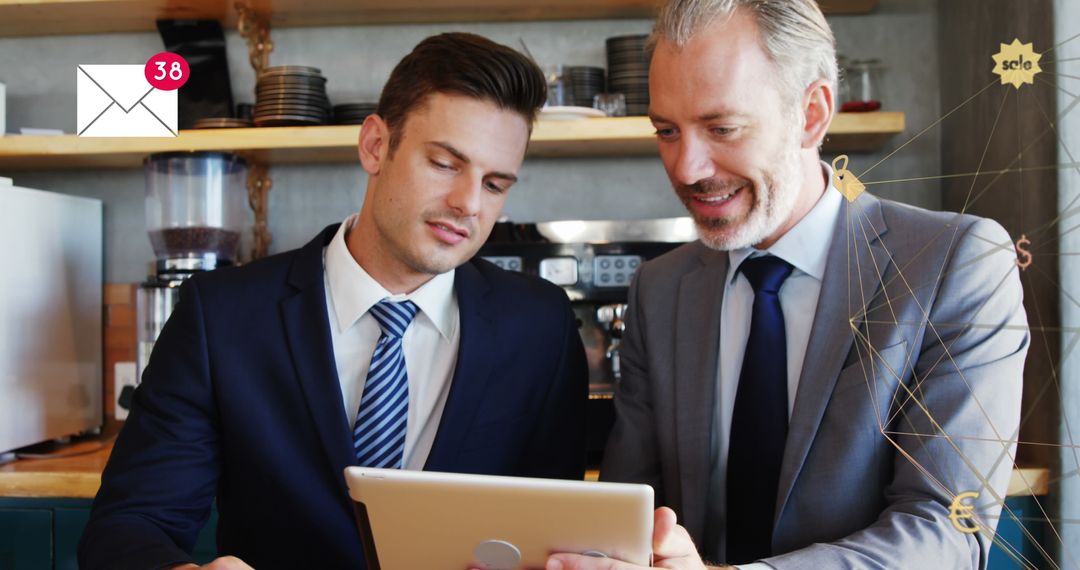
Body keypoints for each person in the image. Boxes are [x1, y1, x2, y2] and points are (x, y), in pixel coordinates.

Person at [80, 32, 588, 570]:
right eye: (444, 163)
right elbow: (128, 526)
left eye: (495, 185)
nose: (468, 203)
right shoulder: (221, 318)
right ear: (375, 145)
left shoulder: (541, 327)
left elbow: (558, 533)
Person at [548, 1, 1028, 569]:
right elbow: (629, 509)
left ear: (812, 114)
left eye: (722, 128)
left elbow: (946, 529)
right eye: (667, 131)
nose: (685, 168)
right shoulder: (660, 288)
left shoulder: (954, 263)